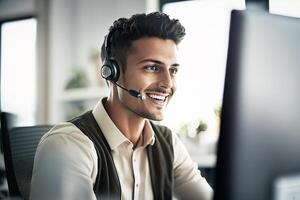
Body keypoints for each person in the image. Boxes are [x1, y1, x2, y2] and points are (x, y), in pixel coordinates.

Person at [30, 11, 213, 200]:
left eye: (173, 70)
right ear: (112, 73)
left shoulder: (168, 143)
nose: (168, 83)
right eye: (152, 67)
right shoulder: (68, 145)